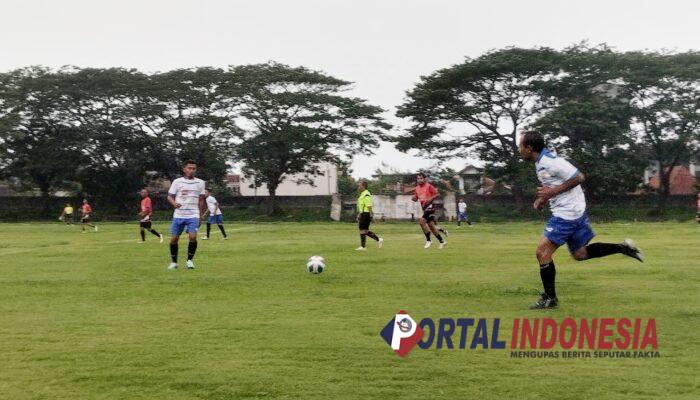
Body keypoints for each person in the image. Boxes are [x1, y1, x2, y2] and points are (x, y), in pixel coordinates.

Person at [519, 130, 644, 309]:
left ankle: (550, 298)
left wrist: (552, 193)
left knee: (542, 253)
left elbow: (579, 177)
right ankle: (622, 247)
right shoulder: (540, 163)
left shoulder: (552, 162)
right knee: (580, 254)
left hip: (566, 214)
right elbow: (552, 186)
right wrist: (542, 198)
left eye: (520, 147)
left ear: (529, 148)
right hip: (574, 212)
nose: (519, 150)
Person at [166, 160, 206, 270]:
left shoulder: (200, 183)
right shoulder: (177, 182)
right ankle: (174, 262)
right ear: (184, 169)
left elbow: (201, 200)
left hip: (193, 214)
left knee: (193, 237)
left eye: (194, 168)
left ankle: (189, 261)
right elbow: (169, 196)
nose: (192, 170)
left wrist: (201, 215)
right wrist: (174, 203)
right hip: (179, 215)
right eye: (189, 168)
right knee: (174, 239)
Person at [412, 172, 447, 249]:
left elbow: (437, 194)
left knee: (421, 221)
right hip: (424, 208)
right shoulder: (417, 188)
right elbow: (416, 198)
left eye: (421, 178)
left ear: (424, 179)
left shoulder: (429, 186)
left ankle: (428, 240)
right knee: (432, 227)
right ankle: (442, 241)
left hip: (430, 207)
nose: (419, 180)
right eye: (418, 178)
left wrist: (431, 198)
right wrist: (414, 198)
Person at [355, 180, 383, 251]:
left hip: (366, 214)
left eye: (359, 186)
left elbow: (369, 205)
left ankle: (363, 246)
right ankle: (378, 239)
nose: (358, 187)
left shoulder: (366, 194)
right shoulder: (363, 194)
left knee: (362, 230)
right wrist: (359, 214)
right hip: (363, 213)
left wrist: (371, 214)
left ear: (363, 186)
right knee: (365, 231)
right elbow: (362, 205)